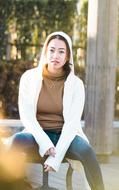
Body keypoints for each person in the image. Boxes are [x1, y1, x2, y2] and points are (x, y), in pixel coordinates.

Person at [11, 31, 105, 190]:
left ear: (68, 56)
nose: (56, 55)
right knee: (15, 142)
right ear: (45, 52)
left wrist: (56, 158)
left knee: (87, 150)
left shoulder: (76, 84)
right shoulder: (29, 78)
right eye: (52, 50)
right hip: (36, 135)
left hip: (66, 137)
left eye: (61, 51)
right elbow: (27, 116)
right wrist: (44, 142)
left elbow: (72, 124)